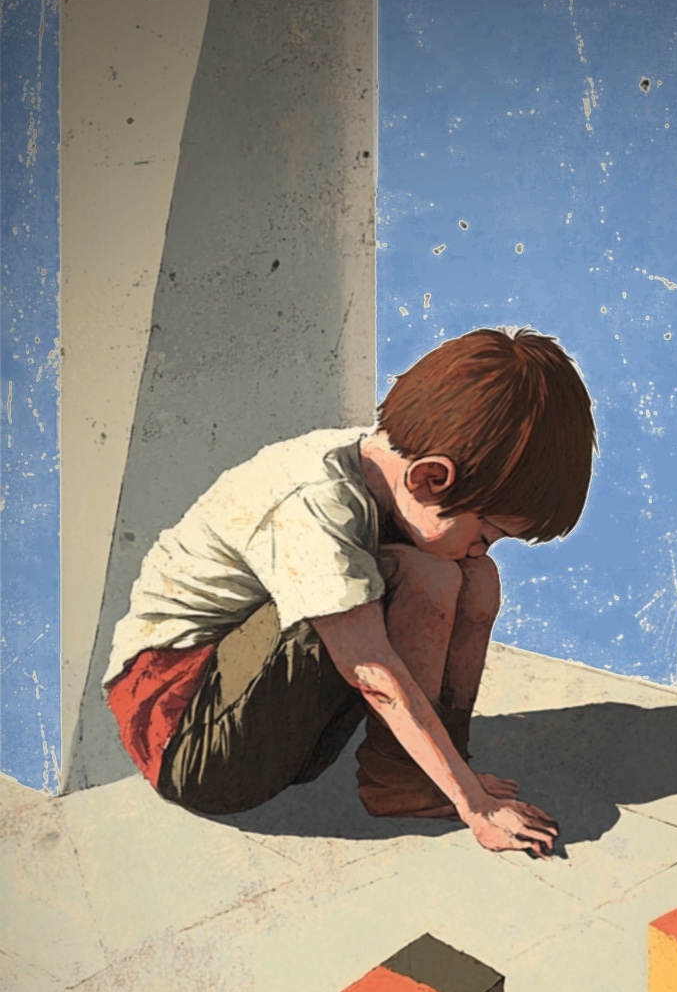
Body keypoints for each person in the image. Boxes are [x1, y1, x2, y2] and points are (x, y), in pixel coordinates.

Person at [101, 327, 594, 857]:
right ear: (430, 478)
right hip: (183, 738)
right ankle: (406, 782)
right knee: (426, 574)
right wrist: (473, 804)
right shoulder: (318, 500)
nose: (484, 547)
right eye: (487, 532)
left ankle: (410, 776)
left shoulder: (387, 471)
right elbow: (372, 674)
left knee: (473, 580)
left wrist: (459, 775)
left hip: (261, 729)